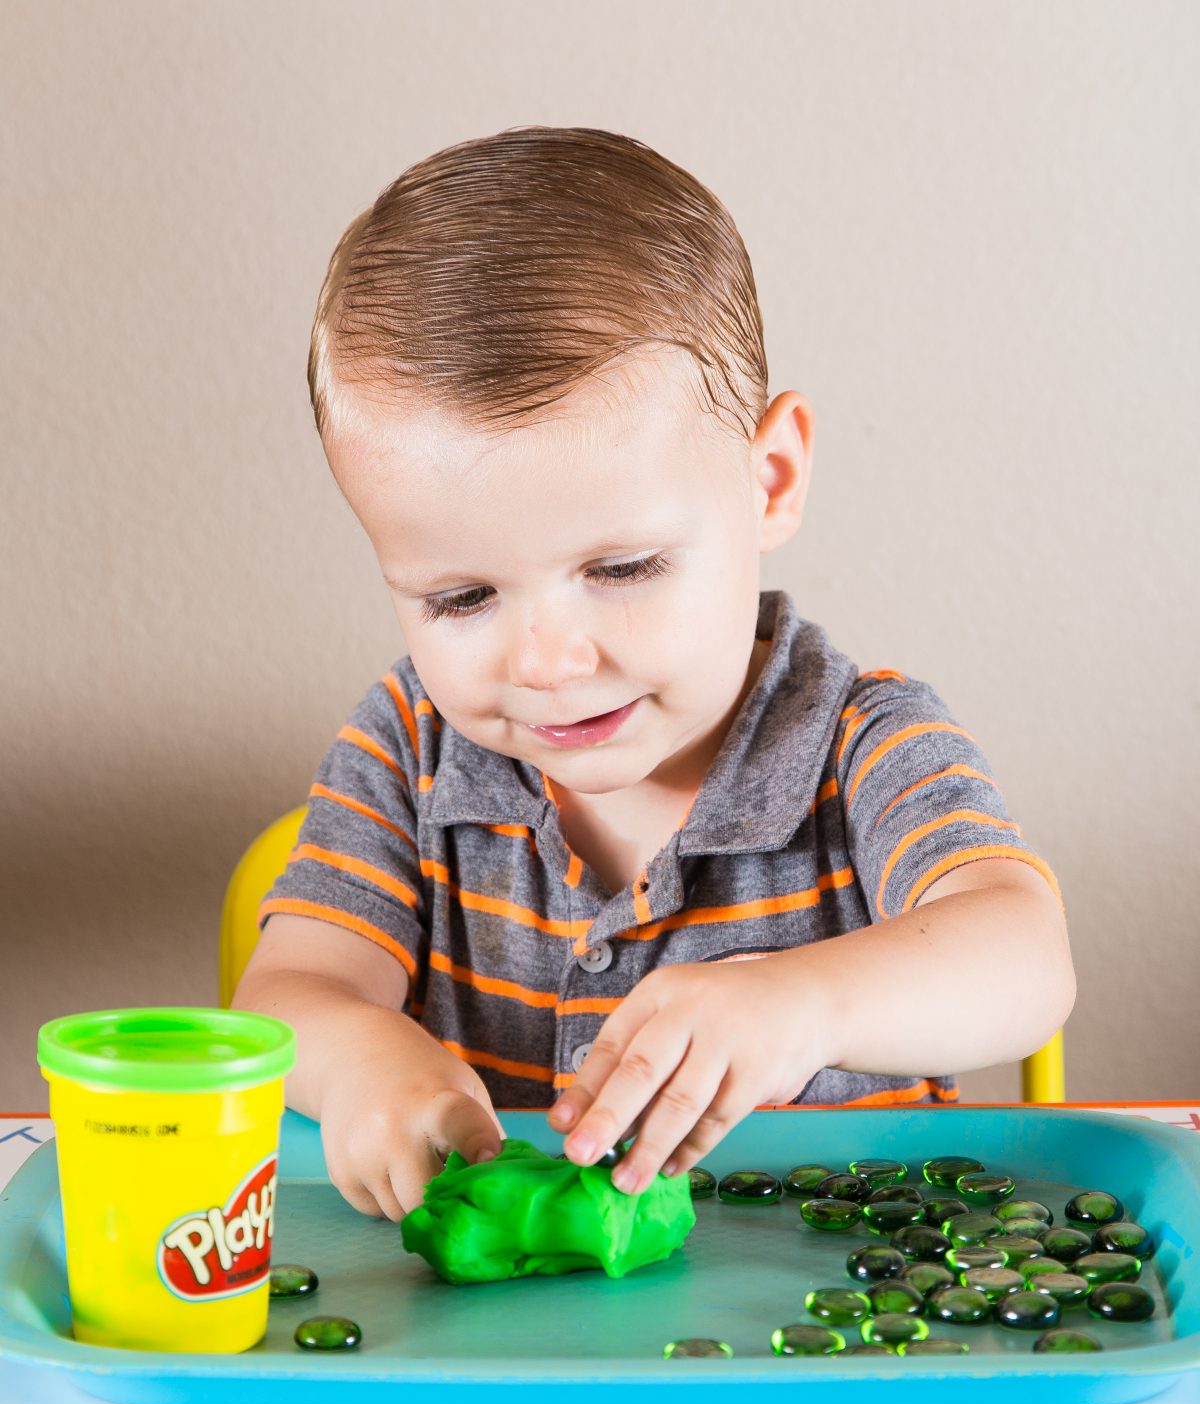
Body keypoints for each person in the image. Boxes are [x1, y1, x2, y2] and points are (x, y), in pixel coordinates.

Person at [232, 126, 1075, 1222]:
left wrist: (801, 1007)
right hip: (503, 1354)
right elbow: (291, 993)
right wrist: (357, 1062)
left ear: (768, 480)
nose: (548, 662)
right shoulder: (408, 744)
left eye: (621, 568)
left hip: (839, 1326)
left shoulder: (861, 740)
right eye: (462, 598)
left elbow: (1022, 956)